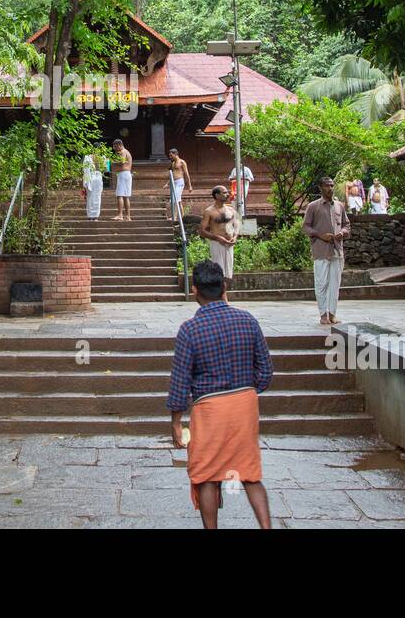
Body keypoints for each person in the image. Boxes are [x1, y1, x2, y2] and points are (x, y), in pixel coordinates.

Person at [166, 259, 274, 529]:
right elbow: (266, 370)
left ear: (195, 291)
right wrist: (247, 390)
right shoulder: (247, 320)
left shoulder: (189, 330)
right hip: (244, 405)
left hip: (209, 409)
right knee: (250, 474)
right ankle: (266, 527)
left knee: (207, 476)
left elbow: (180, 381)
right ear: (224, 286)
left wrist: (176, 422)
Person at [302, 177, 351, 326]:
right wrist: (319, 235)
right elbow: (306, 227)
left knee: (335, 284)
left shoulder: (339, 206)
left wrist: (342, 233)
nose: (330, 188)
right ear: (320, 188)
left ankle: (332, 314)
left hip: (337, 249)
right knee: (321, 284)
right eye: (327, 186)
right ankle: (323, 315)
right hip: (321, 250)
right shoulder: (313, 206)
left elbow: (346, 225)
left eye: (332, 185)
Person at [198, 185, 239, 292]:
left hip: (229, 244)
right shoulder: (209, 211)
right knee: (218, 271)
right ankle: (221, 297)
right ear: (217, 195)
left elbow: (237, 225)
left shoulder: (231, 210)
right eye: (224, 192)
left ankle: (222, 295)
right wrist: (217, 237)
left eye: (227, 192)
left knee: (228, 274)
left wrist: (234, 237)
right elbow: (202, 231)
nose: (227, 194)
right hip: (217, 244)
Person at [165, 148, 192, 220]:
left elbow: (186, 174)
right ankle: (183, 217)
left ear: (175, 154)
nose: (170, 157)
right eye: (169, 156)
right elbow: (172, 174)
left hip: (180, 182)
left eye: (171, 155)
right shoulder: (173, 163)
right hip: (173, 183)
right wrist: (167, 183)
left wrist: (190, 186)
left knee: (175, 200)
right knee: (178, 201)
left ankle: (175, 217)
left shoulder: (182, 162)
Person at [111, 139, 133, 221]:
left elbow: (122, 161)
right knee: (126, 196)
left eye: (115, 146)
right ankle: (128, 216)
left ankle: (120, 215)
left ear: (119, 145)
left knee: (119, 195)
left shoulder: (123, 151)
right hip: (127, 174)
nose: (114, 148)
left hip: (123, 174)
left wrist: (112, 162)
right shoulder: (127, 151)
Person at [82, 154, 103, 220]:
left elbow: (84, 170)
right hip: (98, 178)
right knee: (97, 197)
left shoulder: (87, 157)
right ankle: (95, 217)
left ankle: (90, 216)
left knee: (90, 198)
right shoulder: (101, 157)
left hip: (90, 178)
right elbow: (105, 169)